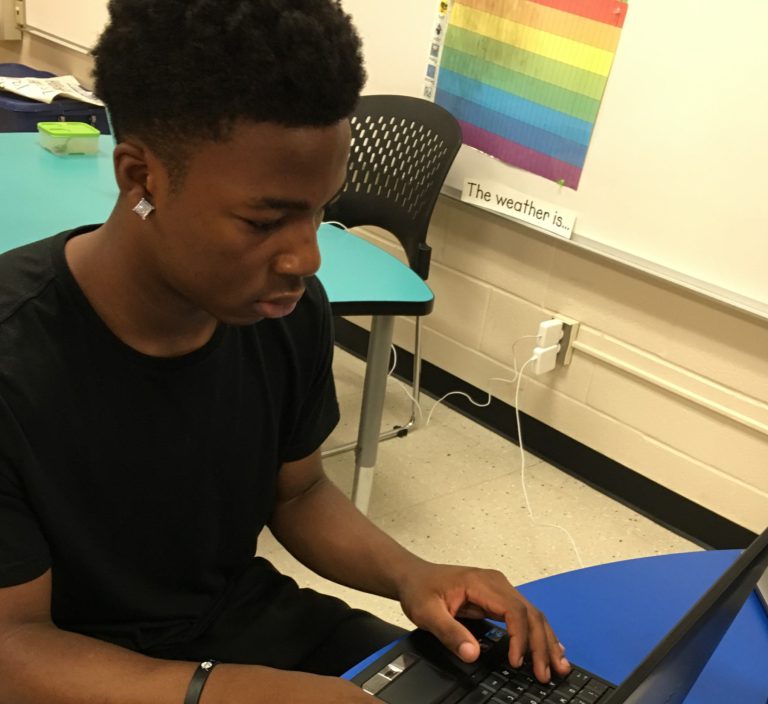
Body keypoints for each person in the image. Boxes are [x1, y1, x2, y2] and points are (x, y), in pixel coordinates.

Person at [0, 1, 571, 702]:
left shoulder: (284, 313)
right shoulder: (17, 360)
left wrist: (413, 574)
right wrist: (219, 692)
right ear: (141, 178)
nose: (305, 257)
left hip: (242, 623)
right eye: (264, 221)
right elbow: (12, 647)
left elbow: (298, 492)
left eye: (321, 211)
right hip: (72, 669)